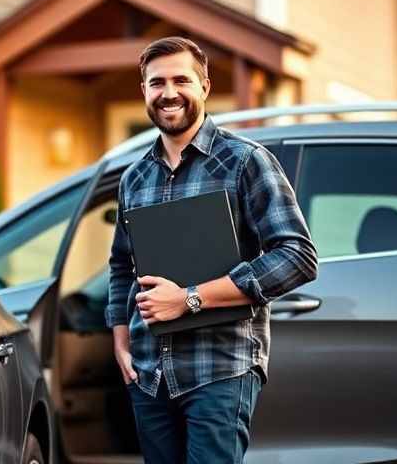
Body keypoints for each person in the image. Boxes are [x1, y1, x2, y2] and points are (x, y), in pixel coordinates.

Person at [105, 36, 318, 463]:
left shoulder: (244, 161)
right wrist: (121, 339)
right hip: (150, 375)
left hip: (220, 368)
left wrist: (189, 299)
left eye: (181, 80)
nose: (168, 93)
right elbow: (121, 265)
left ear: (204, 86)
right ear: (143, 91)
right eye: (156, 83)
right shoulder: (135, 178)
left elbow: (297, 256)